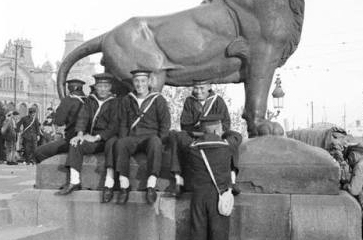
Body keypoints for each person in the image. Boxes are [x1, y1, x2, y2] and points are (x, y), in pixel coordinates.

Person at [170, 114, 241, 240]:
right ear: (218, 129)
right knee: (219, 238)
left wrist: (197, 133)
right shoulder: (227, 146)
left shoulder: (192, 147)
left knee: (197, 236)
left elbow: (178, 136)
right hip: (219, 196)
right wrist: (221, 133)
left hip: (199, 196)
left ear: (201, 129)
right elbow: (236, 135)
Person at [114, 70, 171, 204]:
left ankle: (151, 185)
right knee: (120, 143)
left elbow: (165, 123)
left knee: (155, 141)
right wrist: (124, 138)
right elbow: (123, 123)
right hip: (133, 137)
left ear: (149, 82)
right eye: (136, 81)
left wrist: (161, 141)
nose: (140, 84)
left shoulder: (158, 99)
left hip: (150, 137)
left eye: (143, 81)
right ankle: (124, 185)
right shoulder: (127, 99)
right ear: (133, 83)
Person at [59, 73, 119, 196]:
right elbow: (83, 117)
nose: (102, 89)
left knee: (112, 145)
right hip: (90, 138)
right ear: (95, 87)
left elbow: (114, 126)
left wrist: (96, 137)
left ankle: (109, 182)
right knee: (76, 143)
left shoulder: (115, 103)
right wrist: (80, 134)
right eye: (100, 86)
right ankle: (74, 181)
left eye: (105, 86)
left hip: (105, 139)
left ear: (110, 88)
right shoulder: (90, 100)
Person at [170, 79, 233, 197]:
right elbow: (185, 124)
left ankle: (231, 179)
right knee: (176, 136)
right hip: (196, 136)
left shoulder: (218, 101)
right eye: (195, 88)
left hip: (215, 137)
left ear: (209, 87)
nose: (198, 92)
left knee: (233, 137)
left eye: (201, 88)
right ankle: (178, 179)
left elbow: (226, 123)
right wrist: (199, 130)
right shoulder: (189, 101)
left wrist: (216, 132)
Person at [34, 79, 86, 163]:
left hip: (71, 139)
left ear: (71, 88)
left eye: (68, 88)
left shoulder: (68, 100)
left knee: (39, 152)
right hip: (87, 139)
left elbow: (59, 121)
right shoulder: (89, 100)